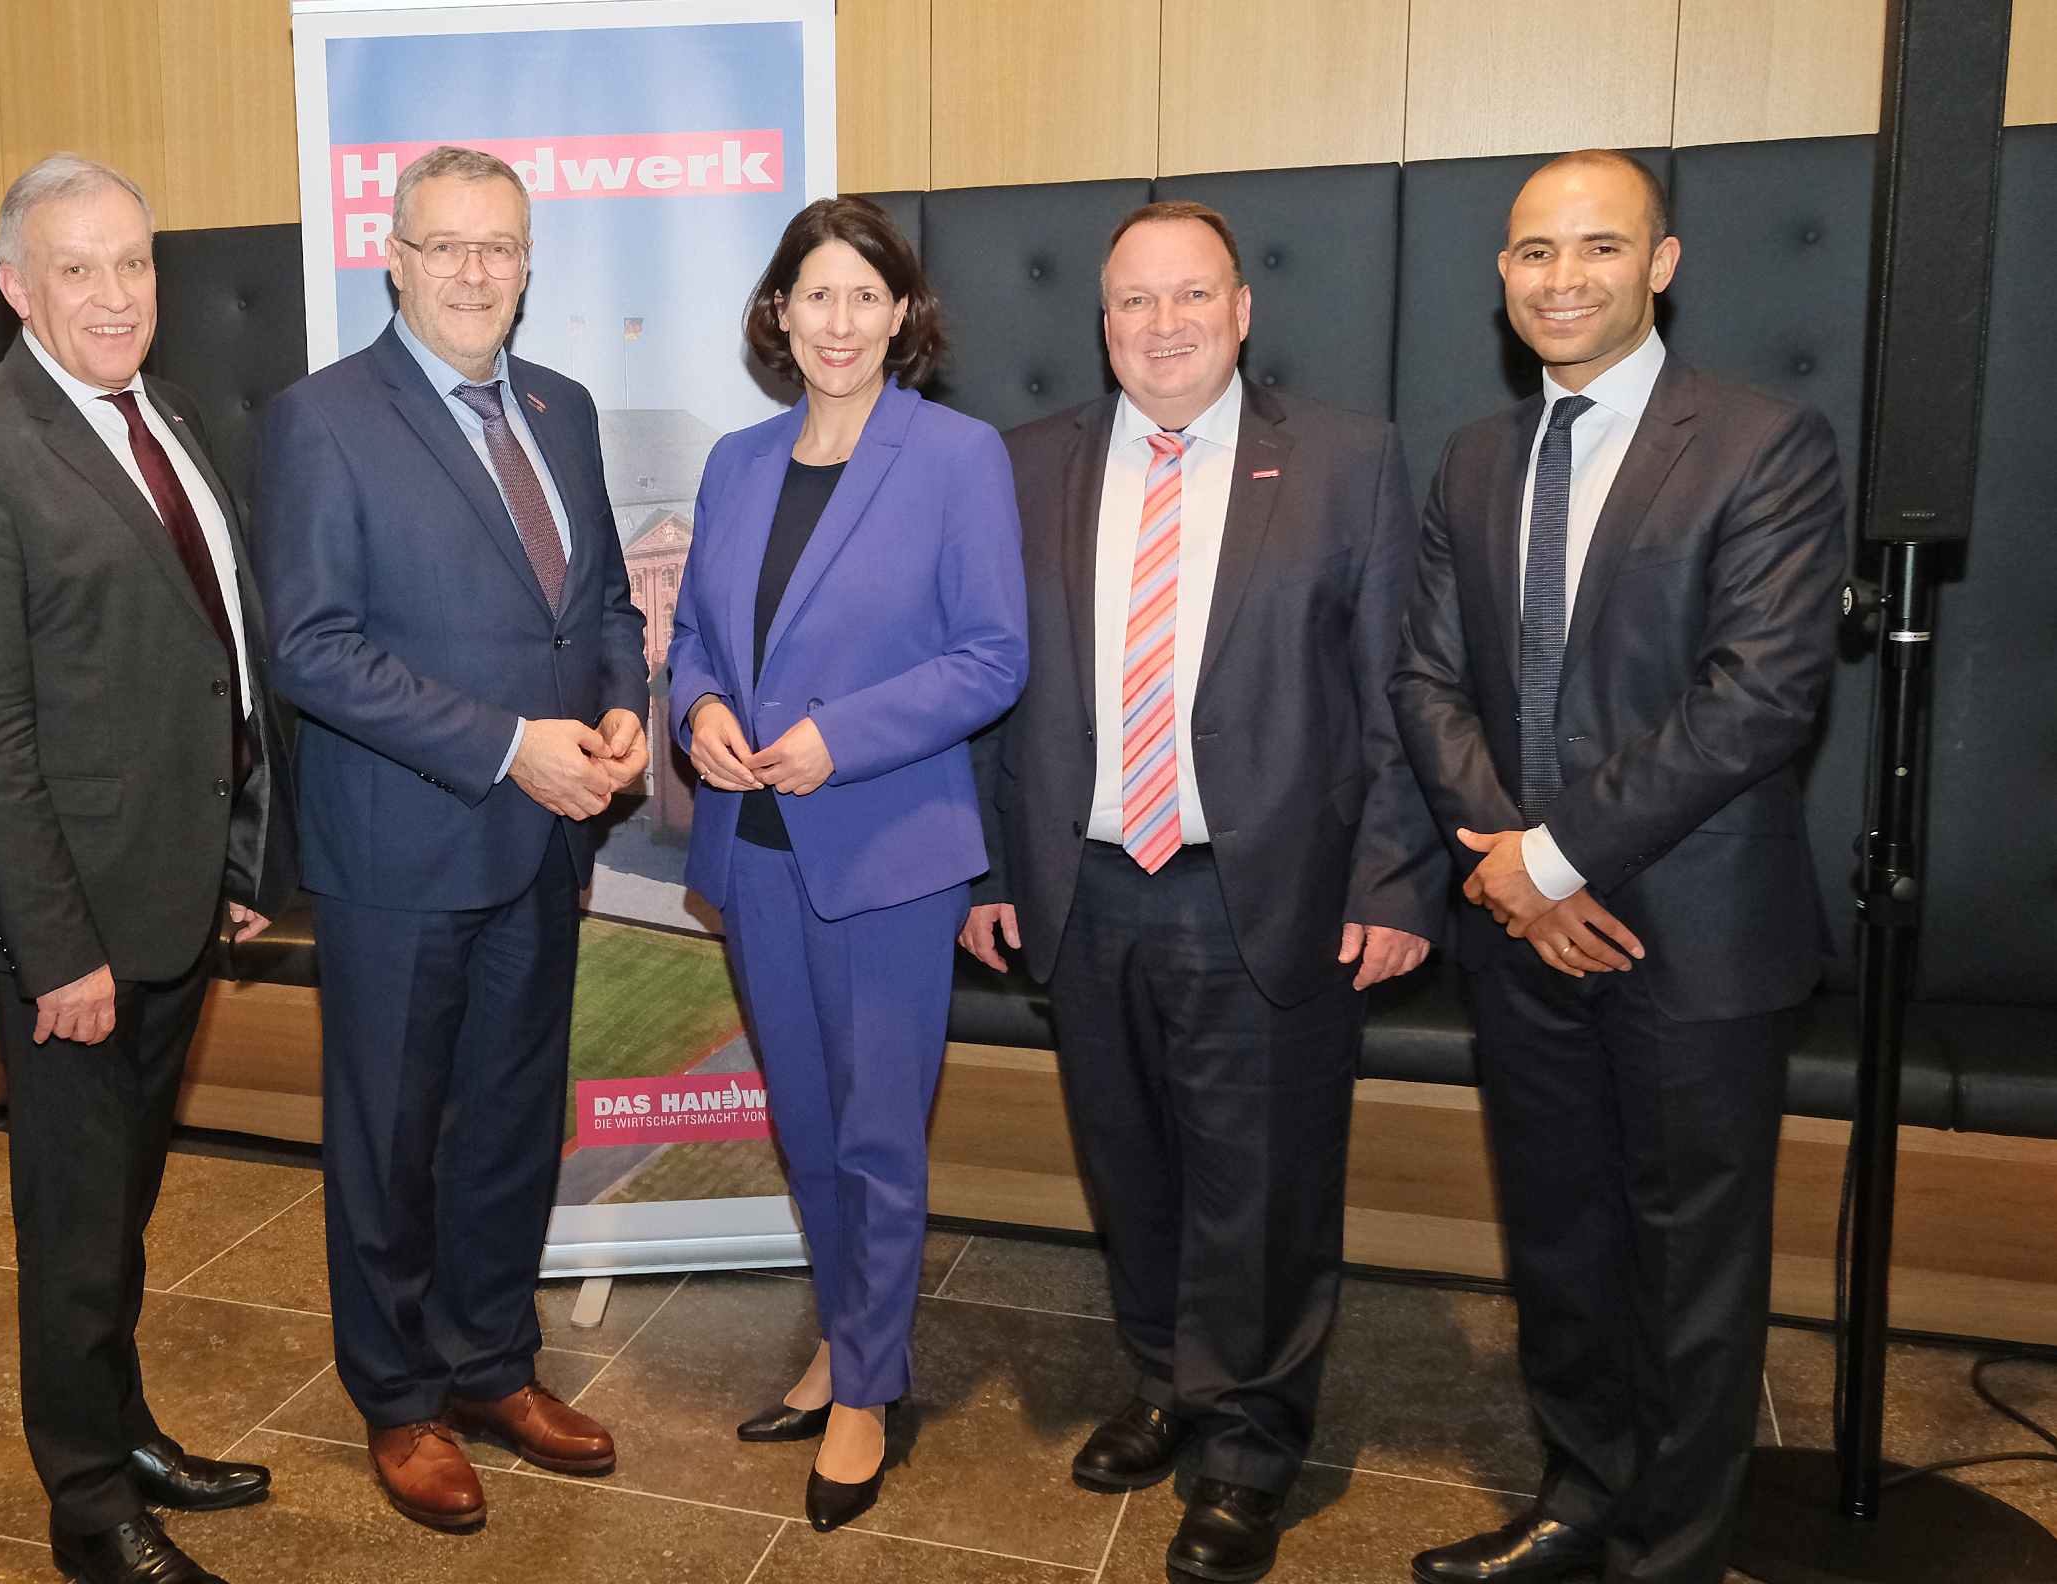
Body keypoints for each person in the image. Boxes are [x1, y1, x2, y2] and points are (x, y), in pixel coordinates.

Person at [962, 200, 1443, 1582]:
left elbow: (1396, 694)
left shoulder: (1350, 460)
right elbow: (994, 694)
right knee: (1135, 1168)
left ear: (1242, 310)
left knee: (1266, 1188)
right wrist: (991, 870)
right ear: (1100, 324)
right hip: (1084, 885)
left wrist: (1396, 879)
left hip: (1267, 889)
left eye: (1190, 297)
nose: (1161, 325)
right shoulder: (1025, 464)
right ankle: (1169, 1379)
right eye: (1132, 302)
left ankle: (1250, 1446)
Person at [1390, 150, 1844, 1584]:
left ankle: (1675, 1555)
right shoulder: (1471, 456)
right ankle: (1578, 1504)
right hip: (1521, 936)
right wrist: (1514, 872)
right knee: (1565, 1254)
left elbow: (1760, 696)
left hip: (1692, 941)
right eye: (1534, 252)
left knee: (1688, 1280)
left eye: (1599, 248)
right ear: (1504, 274)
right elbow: (1426, 681)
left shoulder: (1766, 443)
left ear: (1663, 264)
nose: (1562, 278)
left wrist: (1558, 853)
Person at [0, 153, 289, 1584]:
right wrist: (52, 950)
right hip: (77, 935)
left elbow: (214, 662)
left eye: (134, 263)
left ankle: (125, 1433)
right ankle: (85, 1505)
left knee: (124, 1206)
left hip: (176, 899)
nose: (115, 294)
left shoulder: (160, 411)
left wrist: (241, 855)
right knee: (71, 1227)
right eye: (78, 268)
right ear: (13, 286)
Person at [252, 145, 649, 1533]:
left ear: (529, 265)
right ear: (395, 258)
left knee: (508, 1127)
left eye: (501, 248)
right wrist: (505, 746)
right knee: (391, 1141)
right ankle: (401, 1399)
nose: (476, 271)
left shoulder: (565, 406)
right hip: (402, 855)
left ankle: (491, 1363)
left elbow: (598, 603)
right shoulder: (326, 419)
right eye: (448, 246)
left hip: (546, 845)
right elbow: (310, 647)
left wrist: (619, 709)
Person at [665, 195, 1027, 1534]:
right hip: (751, 851)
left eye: (864, 298)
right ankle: (845, 1338)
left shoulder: (955, 457)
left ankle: (869, 1387)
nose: (839, 322)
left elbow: (993, 656)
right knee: (807, 1126)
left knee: (878, 1135)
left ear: (902, 316)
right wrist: (695, 708)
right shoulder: (739, 465)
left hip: (886, 849)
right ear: (778, 314)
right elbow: (698, 638)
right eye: (814, 296)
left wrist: (837, 739)